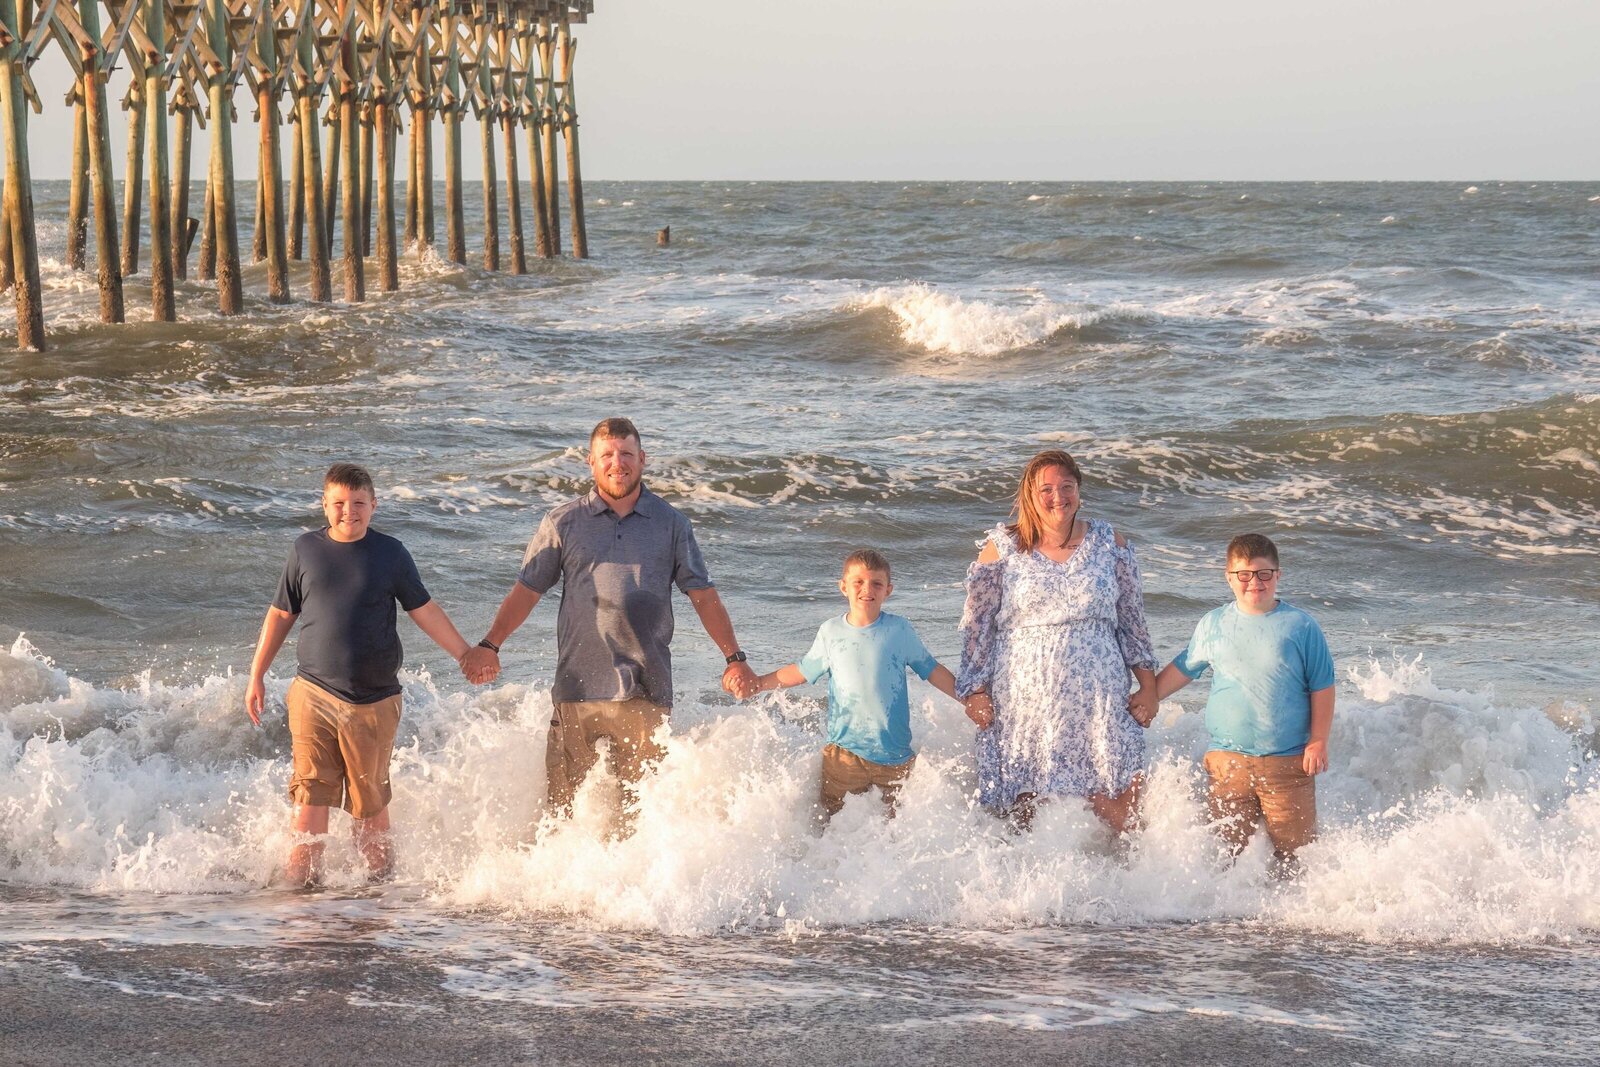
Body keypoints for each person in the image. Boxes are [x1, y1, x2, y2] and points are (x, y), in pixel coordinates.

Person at [459, 418, 757, 829]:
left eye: (626, 454)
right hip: (576, 688)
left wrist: (734, 657)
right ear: (591, 463)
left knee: (638, 817)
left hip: (646, 690)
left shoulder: (672, 524)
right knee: (560, 813)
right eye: (607, 456)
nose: (618, 464)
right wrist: (490, 645)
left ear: (642, 460)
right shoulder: (563, 522)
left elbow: (703, 596)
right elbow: (527, 591)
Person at [245, 463, 475, 886]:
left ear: (374, 506)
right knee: (310, 795)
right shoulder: (305, 550)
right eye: (338, 503)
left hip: (373, 699)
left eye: (357, 504)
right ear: (324, 505)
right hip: (312, 691)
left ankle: (378, 894)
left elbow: (423, 609)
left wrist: (464, 653)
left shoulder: (391, 554)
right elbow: (280, 614)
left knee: (369, 806)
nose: (347, 512)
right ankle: (302, 896)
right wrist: (256, 675)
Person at [956, 450, 1159, 832]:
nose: (1057, 496)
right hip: (1026, 702)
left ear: (1079, 491)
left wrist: (1148, 688)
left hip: (1099, 700)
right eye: (1046, 489)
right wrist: (975, 691)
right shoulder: (1002, 549)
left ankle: (1126, 886)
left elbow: (1133, 622)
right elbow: (977, 630)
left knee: (1120, 809)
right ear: (1029, 496)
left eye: (1067, 486)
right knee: (1025, 810)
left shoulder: (1109, 542)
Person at [748, 549, 979, 820]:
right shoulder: (831, 632)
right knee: (834, 826)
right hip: (844, 756)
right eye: (858, 582)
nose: (866, 589)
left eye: (876, 583)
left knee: (897, 831)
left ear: (888, 590)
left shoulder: (899, 630)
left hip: (895, 757)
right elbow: (801, 671)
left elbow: (932, 670)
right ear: (843, 587)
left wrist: (968, 698)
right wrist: (758, 683)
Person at [1149, 533, 1335, 869]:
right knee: (1227, 857)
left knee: (1296, 857)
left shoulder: (1300, 626)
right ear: (1229, 577)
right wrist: (1148, 698)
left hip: (1287, 765)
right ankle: (1230, 922)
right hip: (1226, 762)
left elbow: (1322, 686)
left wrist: (1318, 740)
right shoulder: (1214, 623)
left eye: (1264, 574)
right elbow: (1185, 667)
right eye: (1244, 575)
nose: (1255, 583)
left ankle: (1291, 918)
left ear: (1278, 575)